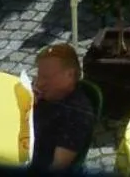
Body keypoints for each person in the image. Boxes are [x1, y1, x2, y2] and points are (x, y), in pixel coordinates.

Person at [30, 42, 94, 171]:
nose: (39, 83)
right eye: (38, 75)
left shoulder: (77, 115)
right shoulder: (43, 93)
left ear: (69, 75)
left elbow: (57, 166)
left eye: (46, 77)